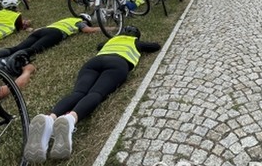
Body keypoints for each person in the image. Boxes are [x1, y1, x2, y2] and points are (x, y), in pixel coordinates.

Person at [23, 26, 161, 162]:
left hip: (94, 63)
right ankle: (70, 119)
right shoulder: (135, 42)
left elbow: (99, 46)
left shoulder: (111, 40)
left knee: (78, 92)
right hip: (118, 63)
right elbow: (155, 46)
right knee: (96, 93)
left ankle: (50, 119)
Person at [0, 14, 104, 63]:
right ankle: (3, 62)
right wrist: (109, 28)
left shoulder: (66, 19)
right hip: (55, 34)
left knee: (17, 47)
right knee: (33, 50)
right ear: (85, 20)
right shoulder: (79, 22)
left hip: (42, 31)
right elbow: (89, 30)